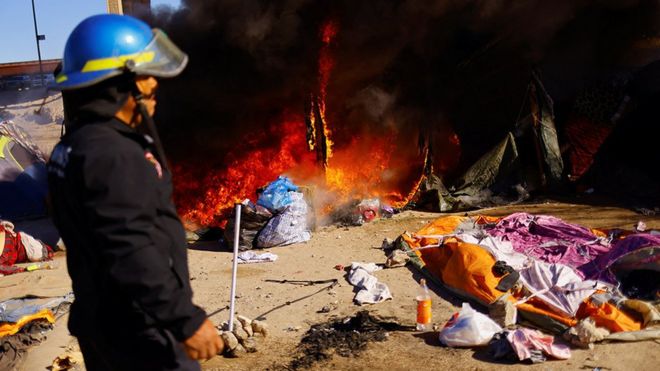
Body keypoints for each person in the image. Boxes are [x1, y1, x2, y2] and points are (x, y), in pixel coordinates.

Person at [47, 14, 223, 370]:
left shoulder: (73, 148)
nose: (154, 82)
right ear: (120, 83)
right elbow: (130, 246)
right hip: (141, 331)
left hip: (101, 321)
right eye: (146, 73)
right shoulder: (112, 154)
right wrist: (183, 319)